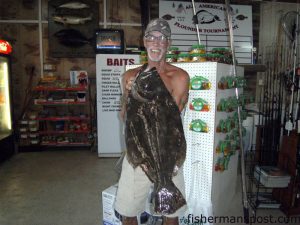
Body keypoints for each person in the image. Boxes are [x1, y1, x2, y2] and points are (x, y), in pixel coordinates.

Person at [115, 18, 190, 225]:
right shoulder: (129, 76)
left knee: (171, 213)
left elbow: (171, 120)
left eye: (161, 38)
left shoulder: (180, 77)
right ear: (144, 41)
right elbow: (124, 116)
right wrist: (129, 95)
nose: (156, 42)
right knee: (128, 211)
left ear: (168, 43)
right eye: (151, 37)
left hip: (166, 154)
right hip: (137, 152)